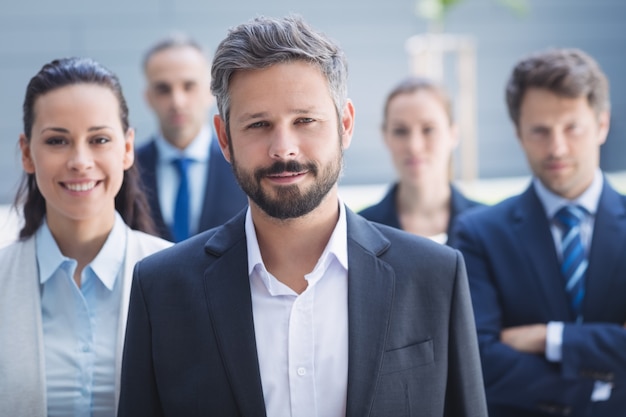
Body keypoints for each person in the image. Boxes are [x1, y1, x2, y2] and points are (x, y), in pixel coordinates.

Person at [118, 15, 487, 417]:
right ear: (224, 138)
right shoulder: (161, 289)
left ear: (345, 124)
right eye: (259, 124)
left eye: (305, 120)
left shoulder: (434, 276)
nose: (284, 148)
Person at [449, 48, 626, 416]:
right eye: (540, 131)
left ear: (602, 124)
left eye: (572, 128)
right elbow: (475, 361)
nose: (557, 147)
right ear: (518, 133)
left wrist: (551, 338)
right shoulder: (478, 234)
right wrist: (603, 382)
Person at [0, 57, 172, 416]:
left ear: (126, 149)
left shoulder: (180, 279)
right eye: (57, 141)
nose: (80, 160)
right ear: (27, 153)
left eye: (99, 139)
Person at [137, 34, 247, 242]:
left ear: (210, 92)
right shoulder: (127, 171)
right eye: (163, 89)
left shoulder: (244, 165)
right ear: (148, 98)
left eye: (188, 86)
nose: (177, 101)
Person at [359, 76, 483, 244]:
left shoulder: (486, 228)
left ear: (453, 134)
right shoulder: (361, 232)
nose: (414, 146)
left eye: (428, 129)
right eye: (400, 131)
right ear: (385, 136)